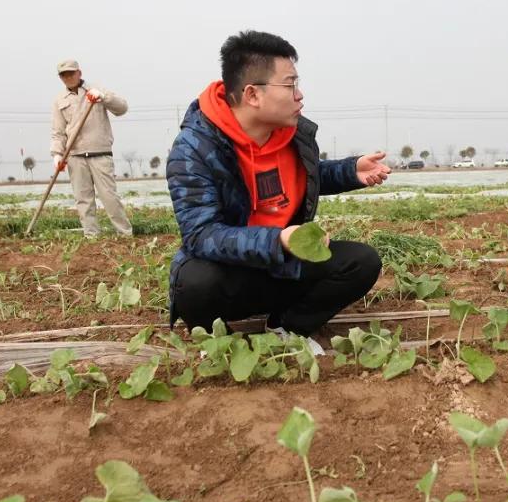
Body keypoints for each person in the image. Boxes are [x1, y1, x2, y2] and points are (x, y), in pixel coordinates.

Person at [166, 30, 391, 346]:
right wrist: (278, 239)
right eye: (290, 85)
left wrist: (350, 171)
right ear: (252, 95)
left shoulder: (293, 134)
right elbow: (201, 235)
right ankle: (220, 343)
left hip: (283, 268)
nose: (299, 95)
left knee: (361, 262)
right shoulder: (195, 149)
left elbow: (306, 177)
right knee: (195, 283)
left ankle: (287, 327)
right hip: (232, 277)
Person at [50, 59, 133, 237]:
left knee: (109, 197)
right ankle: (91, 236)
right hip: (75, 156)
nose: (68, 77)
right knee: (83, 200)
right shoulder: (59, 101)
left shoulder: (96, 90)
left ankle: (125, 234)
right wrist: (57, 154)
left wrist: (103, 97)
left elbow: (122, 108)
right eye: (64, 75)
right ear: (60, 78)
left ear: (79, 73)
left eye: (71, 73)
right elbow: (58, 132)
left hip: (100, 154)